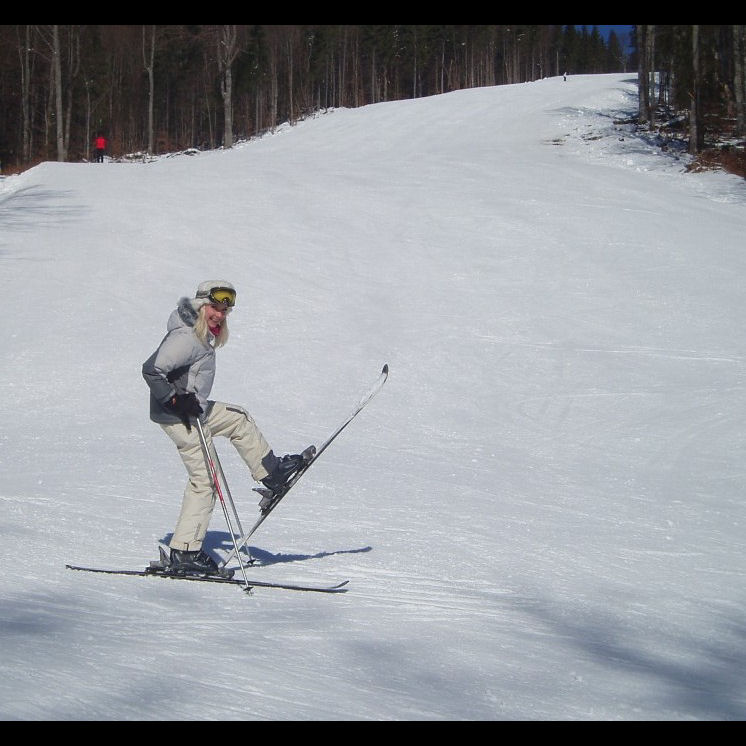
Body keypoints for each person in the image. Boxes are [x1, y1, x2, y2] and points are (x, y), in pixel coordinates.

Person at [142, 281, 306, 577]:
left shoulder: (199, 335)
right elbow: (152, 369)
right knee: (205, 481)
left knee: (237, 418)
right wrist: (176, 400)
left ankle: (272, 473)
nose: (220, 315)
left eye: (225, 311)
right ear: (201, 305)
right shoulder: (186, 337)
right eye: (215, 308)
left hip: (194, 410)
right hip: (179, 418)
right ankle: (185, 552)